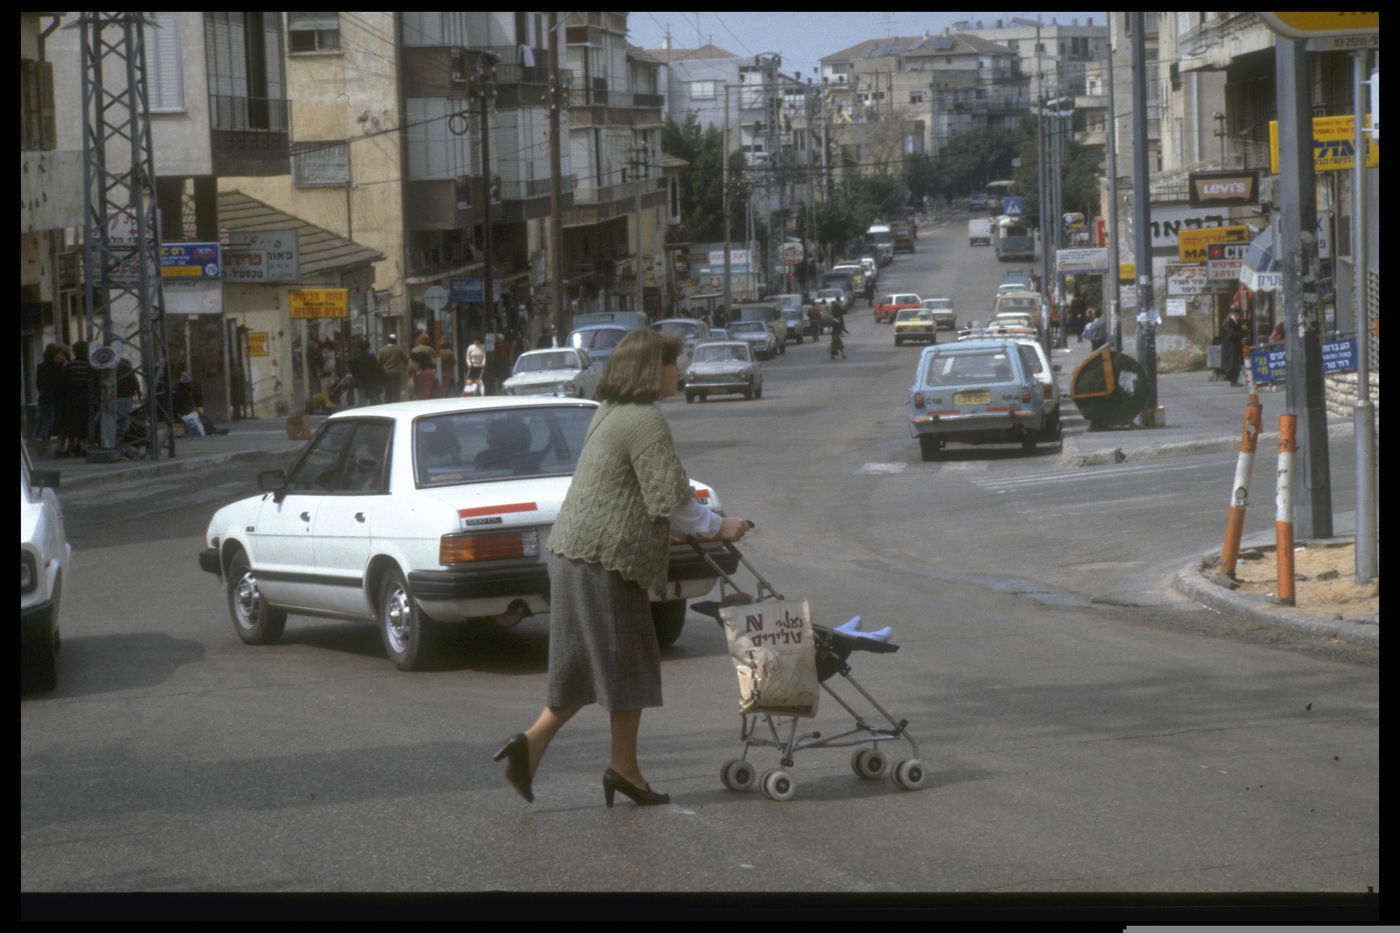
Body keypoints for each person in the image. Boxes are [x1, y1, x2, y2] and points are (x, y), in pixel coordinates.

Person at [494, 329, 750, 807]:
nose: (681, 371)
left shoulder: (608, 413)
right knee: (627, 662)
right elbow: (671, 498)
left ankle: (533, 745)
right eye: (674, 363)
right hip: (605, 559)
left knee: (584, 663)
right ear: (652, 371)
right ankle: (623, 769)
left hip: (573, 552)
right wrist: (721, 526)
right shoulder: (645, 420)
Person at [59, 341, 93, 458]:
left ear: (75, 351)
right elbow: (94, 382)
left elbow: (64, 382)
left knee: (72, 422)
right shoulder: (90, 365)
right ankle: (83, 445)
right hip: (86, 398)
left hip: (72, 399)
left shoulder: (70, 365)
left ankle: (71, 445)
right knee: (84, 422)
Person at [34, 343, 69, 456]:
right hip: (56, 399)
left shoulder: (41, 366)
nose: (61, 357)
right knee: (55, 423)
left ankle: (43, 445)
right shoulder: (59, 368)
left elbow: (39, 384)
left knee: (46, 422)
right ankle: (56, 447)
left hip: (46, 398)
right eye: (59, 354)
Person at [377, 334, 410, 402]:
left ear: (387, 340)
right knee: (396, 390)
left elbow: (378, 363)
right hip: (396, 373)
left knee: (388, 391)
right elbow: (406, 361)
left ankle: (388, 402)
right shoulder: (399, 350)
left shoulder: (382, 350)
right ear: (396, 341)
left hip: (386, 373)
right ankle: (396, 401)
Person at [350, 339, 383, 406]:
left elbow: (353, 371)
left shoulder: (356, 359)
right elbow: (377, 371)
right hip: (371, 383)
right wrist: (379, 382)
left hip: (361, 383)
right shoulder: (373, 359)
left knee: (362, 402)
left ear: (360, 348)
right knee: (374, 401)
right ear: (368, 348)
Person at [1220, 308, 1246, 386]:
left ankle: (1235, 379)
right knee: (1232, 363)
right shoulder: (1228, 322)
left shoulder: (1236, 322)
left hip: (1236, 346)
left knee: (1236, 363)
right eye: (1239, 315)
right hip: (1231, 346)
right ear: (1235, 314)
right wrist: (1242, 335)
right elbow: (1231, 334)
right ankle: (1233, 381)